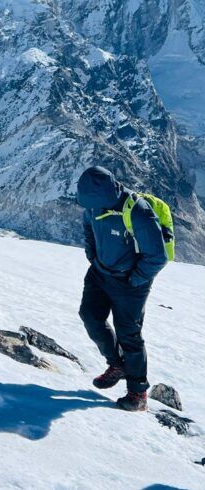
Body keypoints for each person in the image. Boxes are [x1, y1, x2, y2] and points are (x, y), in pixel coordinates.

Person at [76, 166, 167, 411]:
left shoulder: (137, 211)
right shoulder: (94, 205)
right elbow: (89, 229)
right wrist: (92, 256)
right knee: (90, 317)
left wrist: (134, 280)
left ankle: (138, 394)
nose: (89, 207)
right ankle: (117, 364)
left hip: (130, 283)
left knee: (129, 334)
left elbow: (157, 257)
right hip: (100, 273)